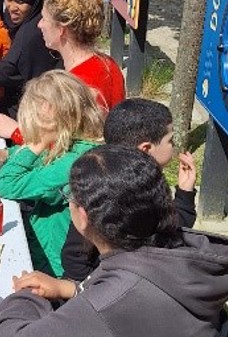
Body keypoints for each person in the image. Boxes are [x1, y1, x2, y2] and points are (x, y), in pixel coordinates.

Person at [0, 144, 228, 337]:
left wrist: (26, 297)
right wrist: (74, 290)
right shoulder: (178, 251)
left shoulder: (111, 304)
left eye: (70, 200)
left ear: (83, 217)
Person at [0, 70, 104, 276]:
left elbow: (6, 184)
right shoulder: (82, 144)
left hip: (55, 262)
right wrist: (8, 153)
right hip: (55, 248)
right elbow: (52, 153)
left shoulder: (73, 165)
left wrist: (35, 144)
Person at [61, 98, 197, 281]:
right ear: (146, 149)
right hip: (118, 285)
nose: (173, 146)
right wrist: (185, 196)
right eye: (170, 140)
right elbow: (172, 231)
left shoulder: (98, 178)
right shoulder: (137, 189)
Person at [0, 0, 125, 145]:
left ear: (61, 30)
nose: (40, 25)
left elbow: (62, 149)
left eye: (44, 19)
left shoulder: (71, 87)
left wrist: (15, 131)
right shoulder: (109, 64)